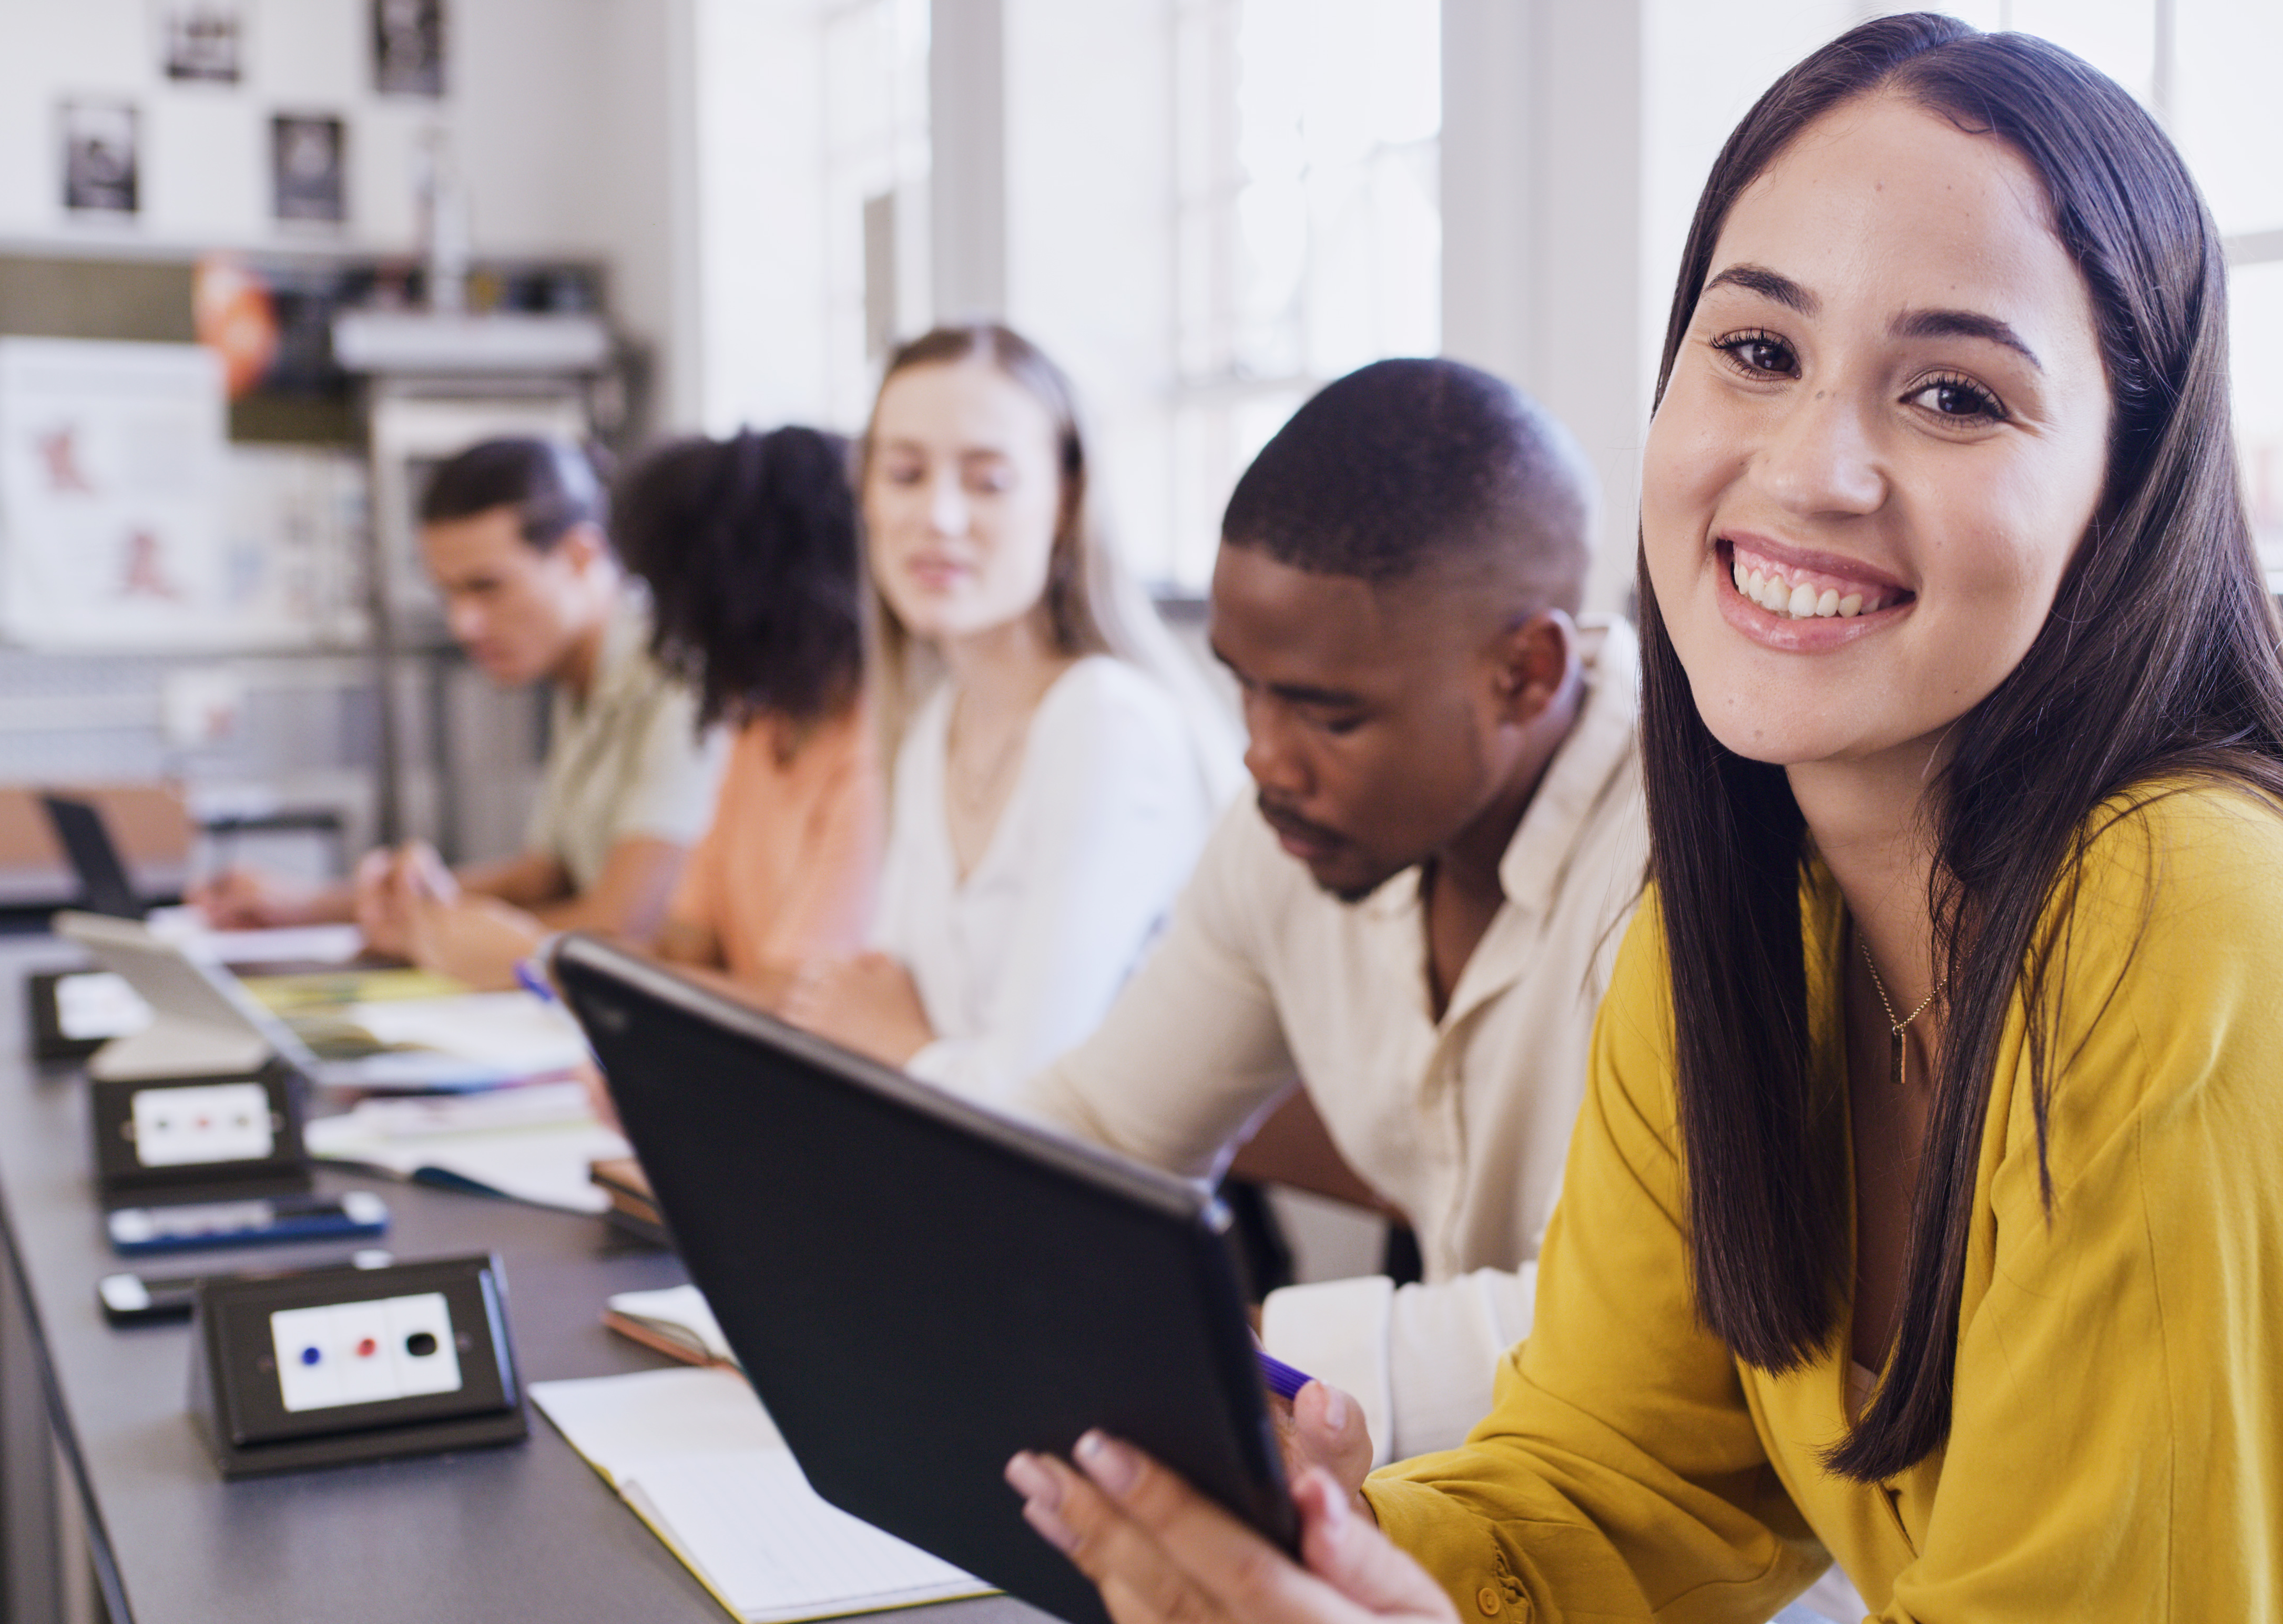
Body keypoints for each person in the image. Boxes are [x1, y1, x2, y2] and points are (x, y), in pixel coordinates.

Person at [1001, 17, 2283, 1624]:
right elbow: (1629, 1474)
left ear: (2120, 493)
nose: (1809, 469)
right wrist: (1360, 1560)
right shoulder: (1741, 909)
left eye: (1954, 395)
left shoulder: (2196, 923)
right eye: (1754, 347)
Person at [1005, 356, 1639, 1467]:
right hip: (1475, 1510)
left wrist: (1213, 1357)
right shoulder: (1291, 830)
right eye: (1242, 683)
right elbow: (1105, 1135)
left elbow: (1629, 1339)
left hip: (1763, 1610)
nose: (1260, 754)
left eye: (1325, 714)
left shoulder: (1687, 868)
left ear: (1524, 674)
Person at [782, 324, 1230, 1095]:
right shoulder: (935, 726)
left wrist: (897, 1040)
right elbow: (859, 1012)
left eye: (988, 481)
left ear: (1066, 502)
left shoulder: (1106, 722)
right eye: (904, 473)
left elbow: (1030, 1096)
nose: (939, 517)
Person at [190, 438, 723, 989]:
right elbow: (545, 875)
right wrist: (315, 904)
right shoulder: (580, 678)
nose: (463, 623)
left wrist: (437, 936)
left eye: (486, 587)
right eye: (449, 594)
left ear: (579, 556)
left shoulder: (676, 675)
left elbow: (621, 924)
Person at [611, 426, 880, 1005]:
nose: (668, 636)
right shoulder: (764, 731)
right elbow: (685, 944)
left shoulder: (874, 754)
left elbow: (792, 1008)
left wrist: (574, 967)